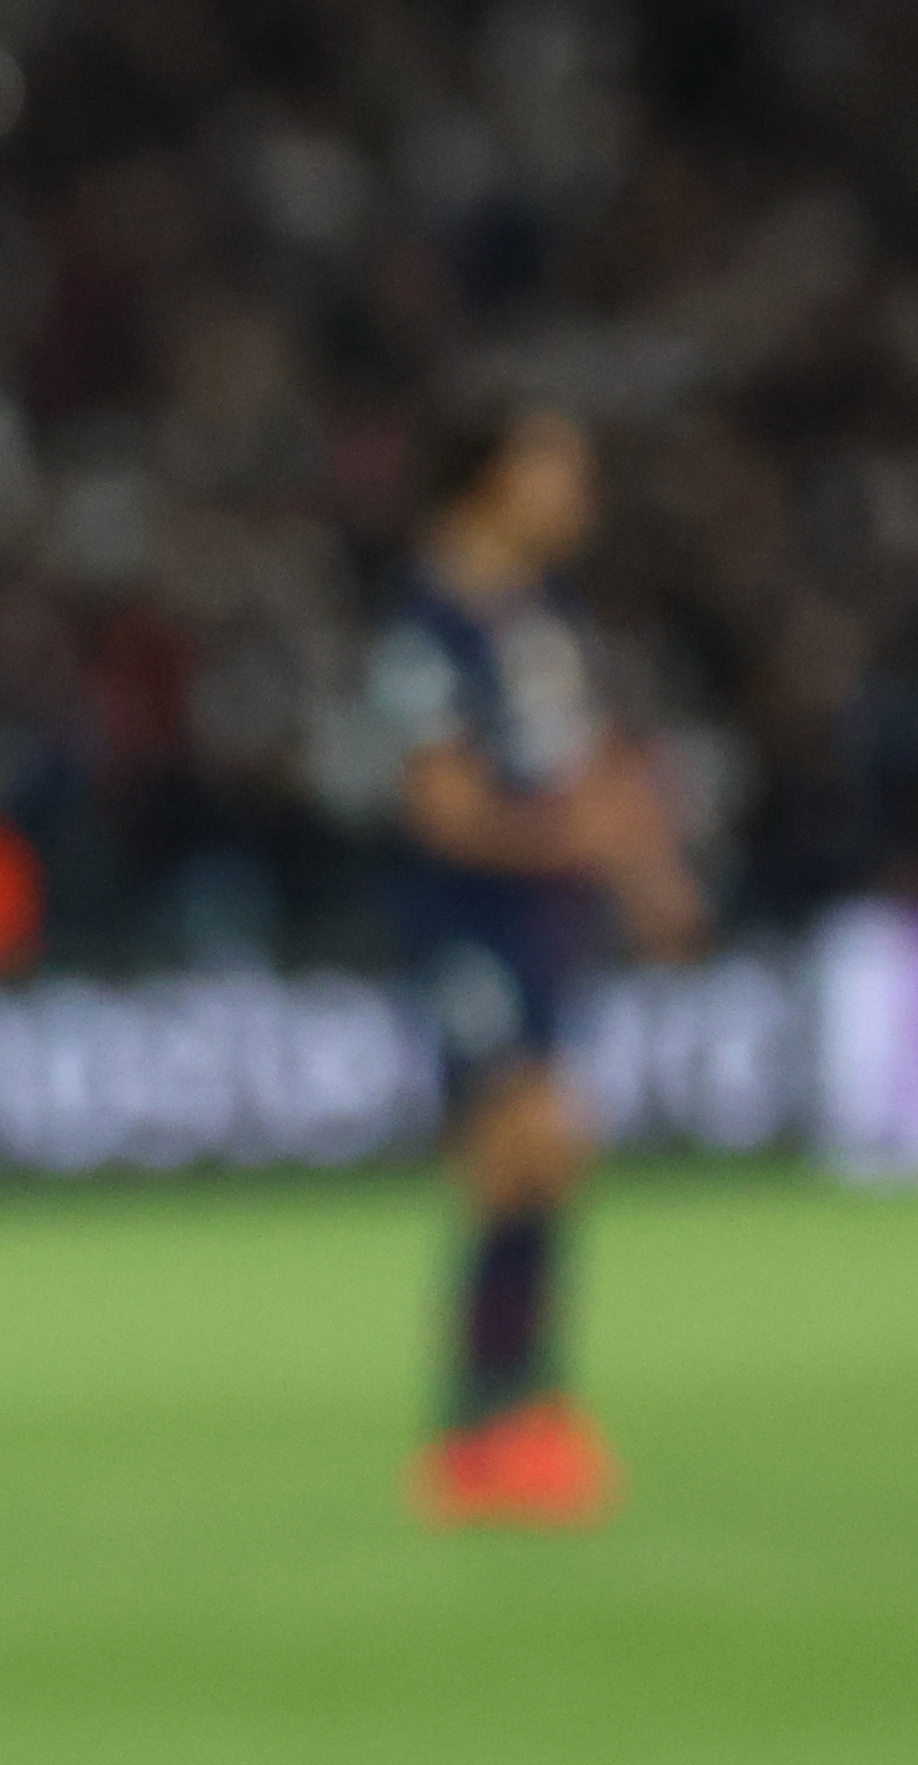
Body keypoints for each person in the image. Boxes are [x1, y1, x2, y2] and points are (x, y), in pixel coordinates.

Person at [363, 404, 703, 1528]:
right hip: (470, 920)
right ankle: (482, 1424)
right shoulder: (428, 622)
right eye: (553, 467)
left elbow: (588, 762)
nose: (575, 490)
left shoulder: (540, 618)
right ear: (489, 480)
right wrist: (579, 840)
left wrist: (643, 866)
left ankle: (515, 1419)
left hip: (546, 919)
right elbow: (440, 804)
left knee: (544, 1153)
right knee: (522, 1143)